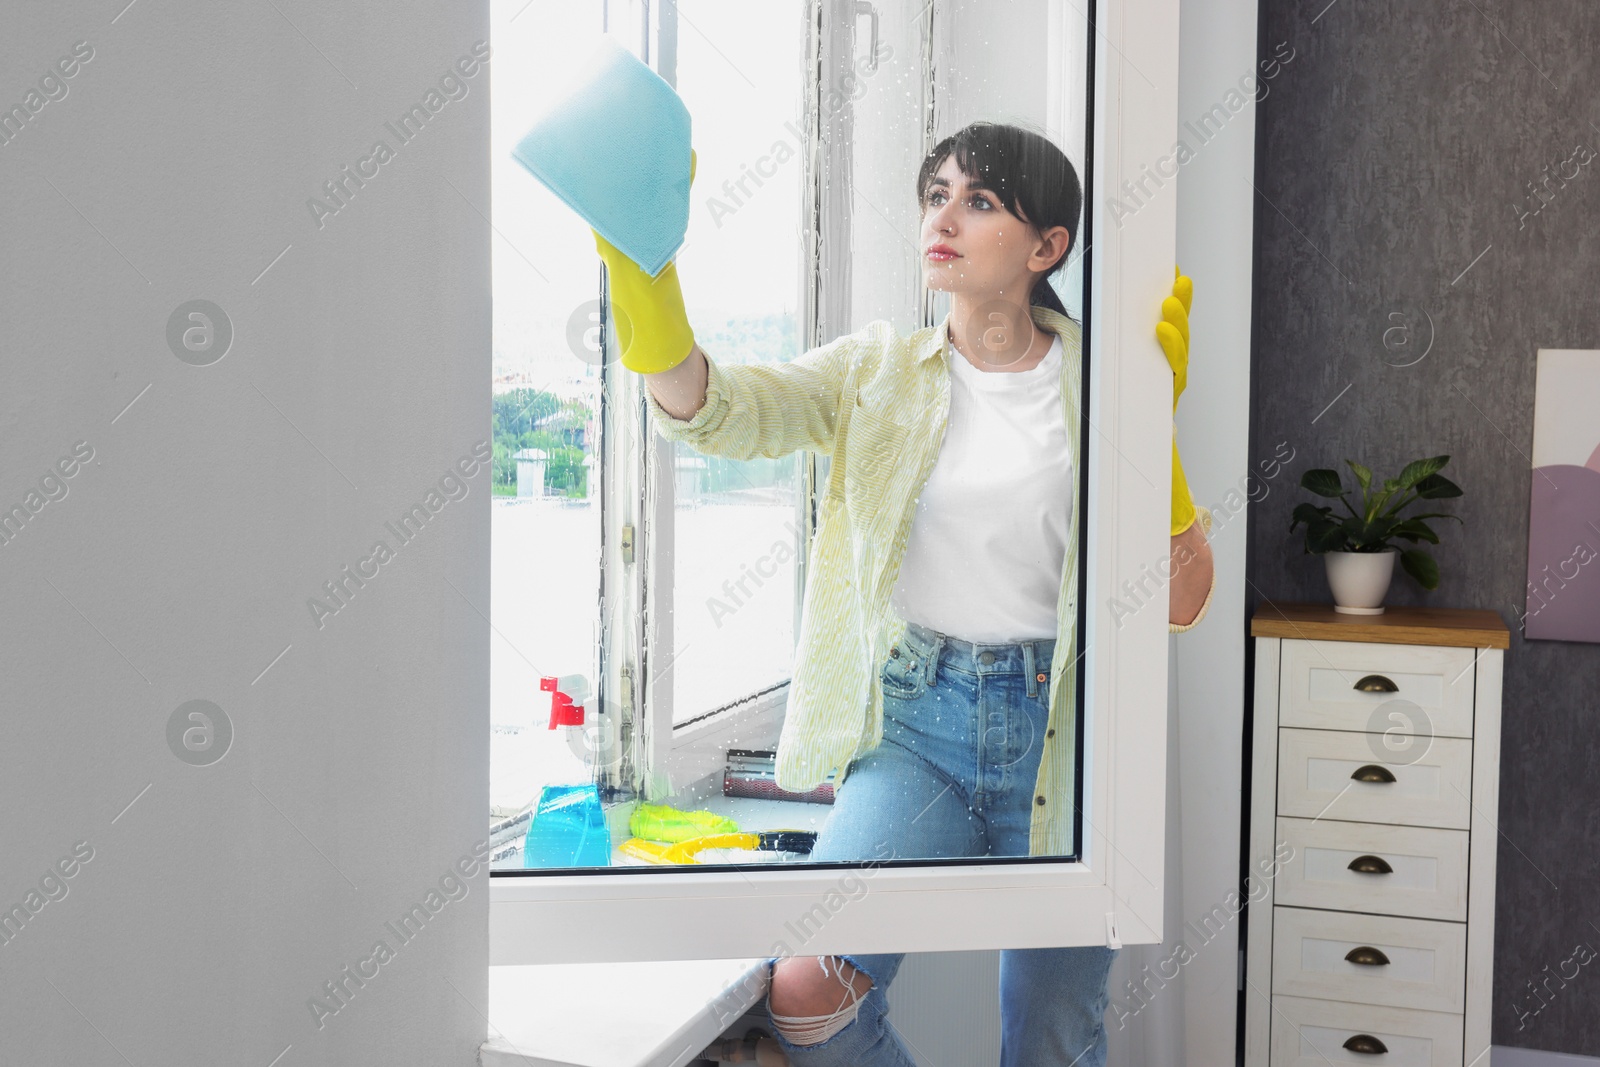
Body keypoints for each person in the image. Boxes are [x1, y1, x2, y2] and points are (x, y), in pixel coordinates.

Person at [594, 121, 1214, 1066]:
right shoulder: (877, 371)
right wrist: (647, 285)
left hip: (1067, 741)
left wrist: (1153, 428)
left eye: (980, 200)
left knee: (1048, 1036)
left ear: (1047, 246)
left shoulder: (1103, 380)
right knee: (804, 994)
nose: (945, 216)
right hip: (919, 727)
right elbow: (718, 411)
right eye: (936, 194)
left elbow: (1183, 596)